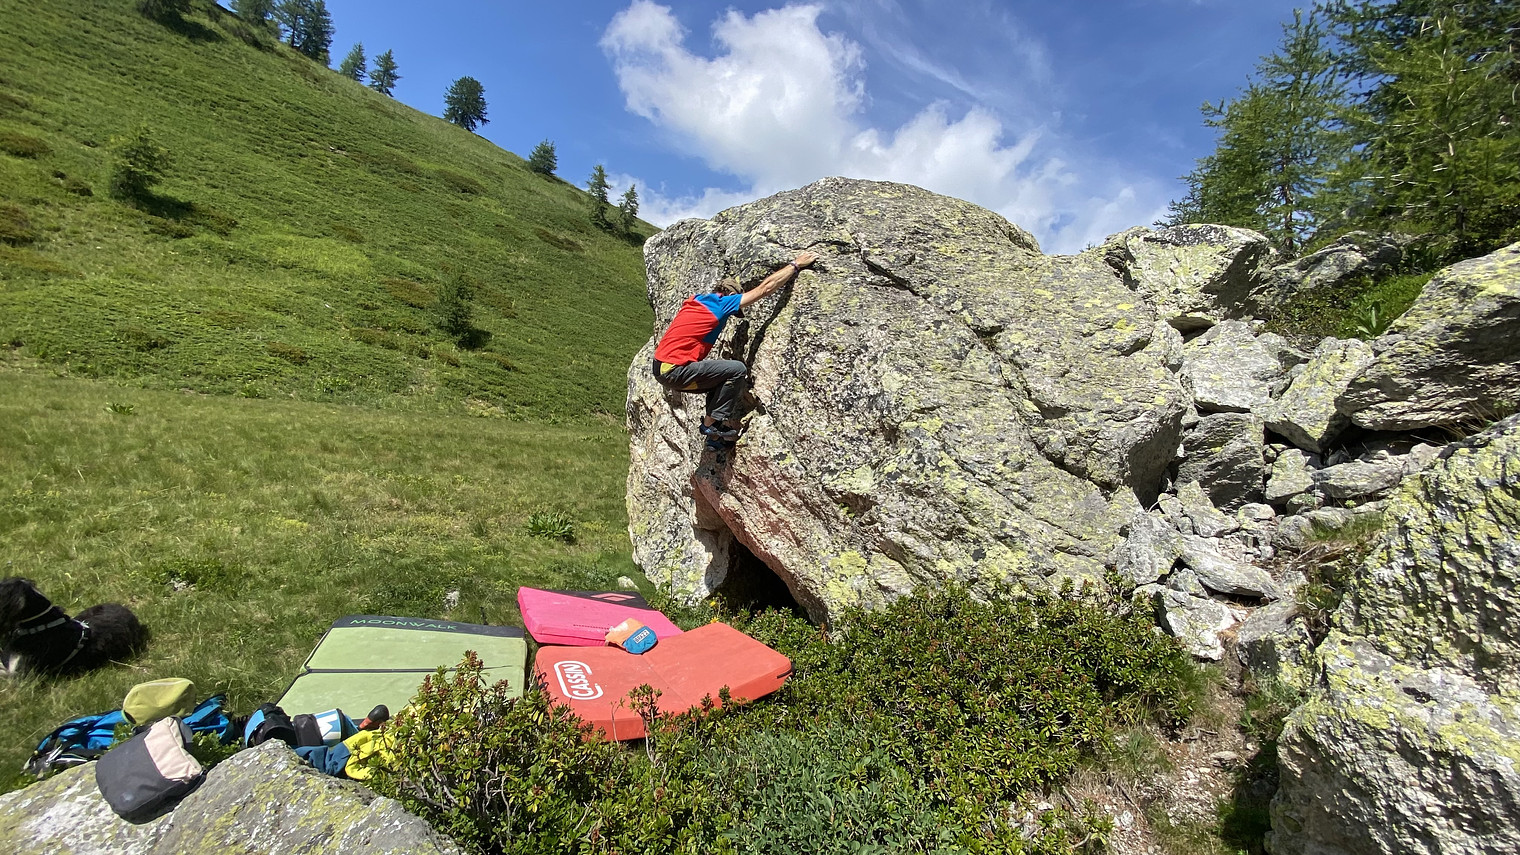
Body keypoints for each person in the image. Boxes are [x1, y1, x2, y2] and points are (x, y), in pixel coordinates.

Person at [652, 251, 819, 450]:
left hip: (661, 369)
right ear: (730, 296)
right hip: (675, 371)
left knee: (719, 380)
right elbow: (765, 289)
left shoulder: (696, 302)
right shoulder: (721, 304)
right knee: (736, 370)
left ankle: (715, 436)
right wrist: (796, 265)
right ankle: (709, 426)